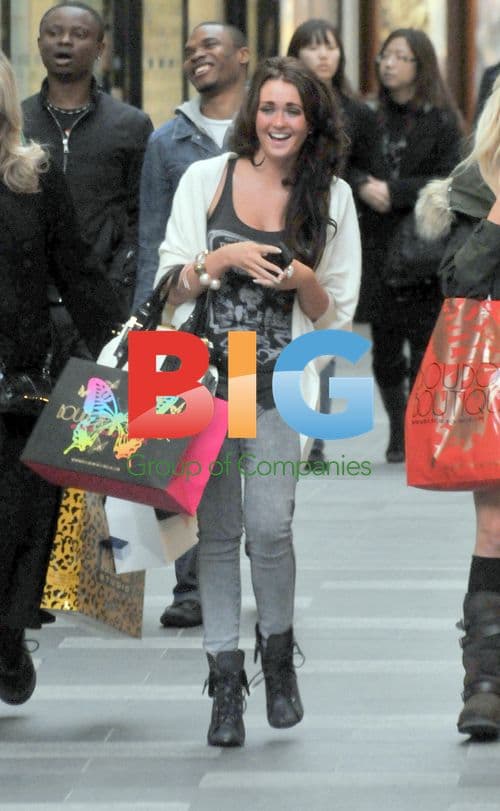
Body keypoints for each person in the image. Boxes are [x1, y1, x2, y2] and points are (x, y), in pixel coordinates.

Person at [155, 56, 361, 747]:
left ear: (312, 122)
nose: (278, 122)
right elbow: (168, 285)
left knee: (270, 528)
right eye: (268, 108)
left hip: (278, 384)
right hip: (206, 386)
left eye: (293, 111)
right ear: (253, 115)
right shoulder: (203, 180)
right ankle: (223, 685)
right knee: (218, 534)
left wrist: (301, 277)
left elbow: (338, 313)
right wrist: (219, 262)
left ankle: (278, 657)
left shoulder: (331, 198)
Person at [0, 50, 121, 705]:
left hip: (22, 382)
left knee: (23, 521)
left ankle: (9, 635)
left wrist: (125, 346)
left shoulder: (33, 175)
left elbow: (76, 272)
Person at [134, 21, 249, 630]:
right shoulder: (166, 141)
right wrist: (144, 324)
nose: (197, 56)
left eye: (210, 46)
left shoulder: (268, 130)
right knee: (179, 454)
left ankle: (239, 560)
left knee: (238, 454)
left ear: (243, 55)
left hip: (249, 328)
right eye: (189, 50)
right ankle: (189, 586)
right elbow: (153, 236)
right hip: (180, 319)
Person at [417, 78, 500, 740]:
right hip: (492, 379)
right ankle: (486, 682)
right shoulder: (474, 186)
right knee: (496, 530)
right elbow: (460, 283)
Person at [355, 28, 462, 464]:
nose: (388, 64)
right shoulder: (366, 117)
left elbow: (450, 178)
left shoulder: (441, 121)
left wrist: (394, 192)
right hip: (377, 246)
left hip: (423, 247)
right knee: (383, 350)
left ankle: (420, 430)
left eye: (400, 56)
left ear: (420, 65)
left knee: (422, 345)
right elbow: (344, 164)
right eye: (385, 56)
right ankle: (398, 428)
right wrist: (363, 184)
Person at [22, 1, 153, 358]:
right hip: (24, 306)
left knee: (99, 412)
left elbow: (140, 215)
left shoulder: (130, 125)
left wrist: (118, 283)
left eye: (79, 35)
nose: (64, 41)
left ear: (100, 48)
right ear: (39, 43)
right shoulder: (15, 122)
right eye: (54, 33)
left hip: (101, 306)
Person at [287, 18, 383, 463]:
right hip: (289, 224)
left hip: (338, 228)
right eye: (314, 47)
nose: (324, 55)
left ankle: (316, 433)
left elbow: (371, 165)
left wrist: (357, 182)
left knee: (326, 323)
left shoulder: (357, 112)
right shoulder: (282, 104)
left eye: (331, 47)